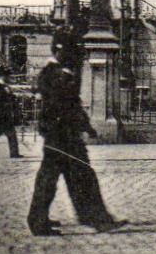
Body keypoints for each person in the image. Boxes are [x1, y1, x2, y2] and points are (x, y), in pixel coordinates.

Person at [27, 48, 124, 236]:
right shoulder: (58, 74)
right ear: (59, 52)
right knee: (80, 175)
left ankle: (39, 219)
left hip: (60, 134)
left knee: (56, 177)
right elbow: (66, 105)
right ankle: (96, 219)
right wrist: (84, 126)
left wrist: (85, 126)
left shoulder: (53, 71)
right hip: (63, 134)